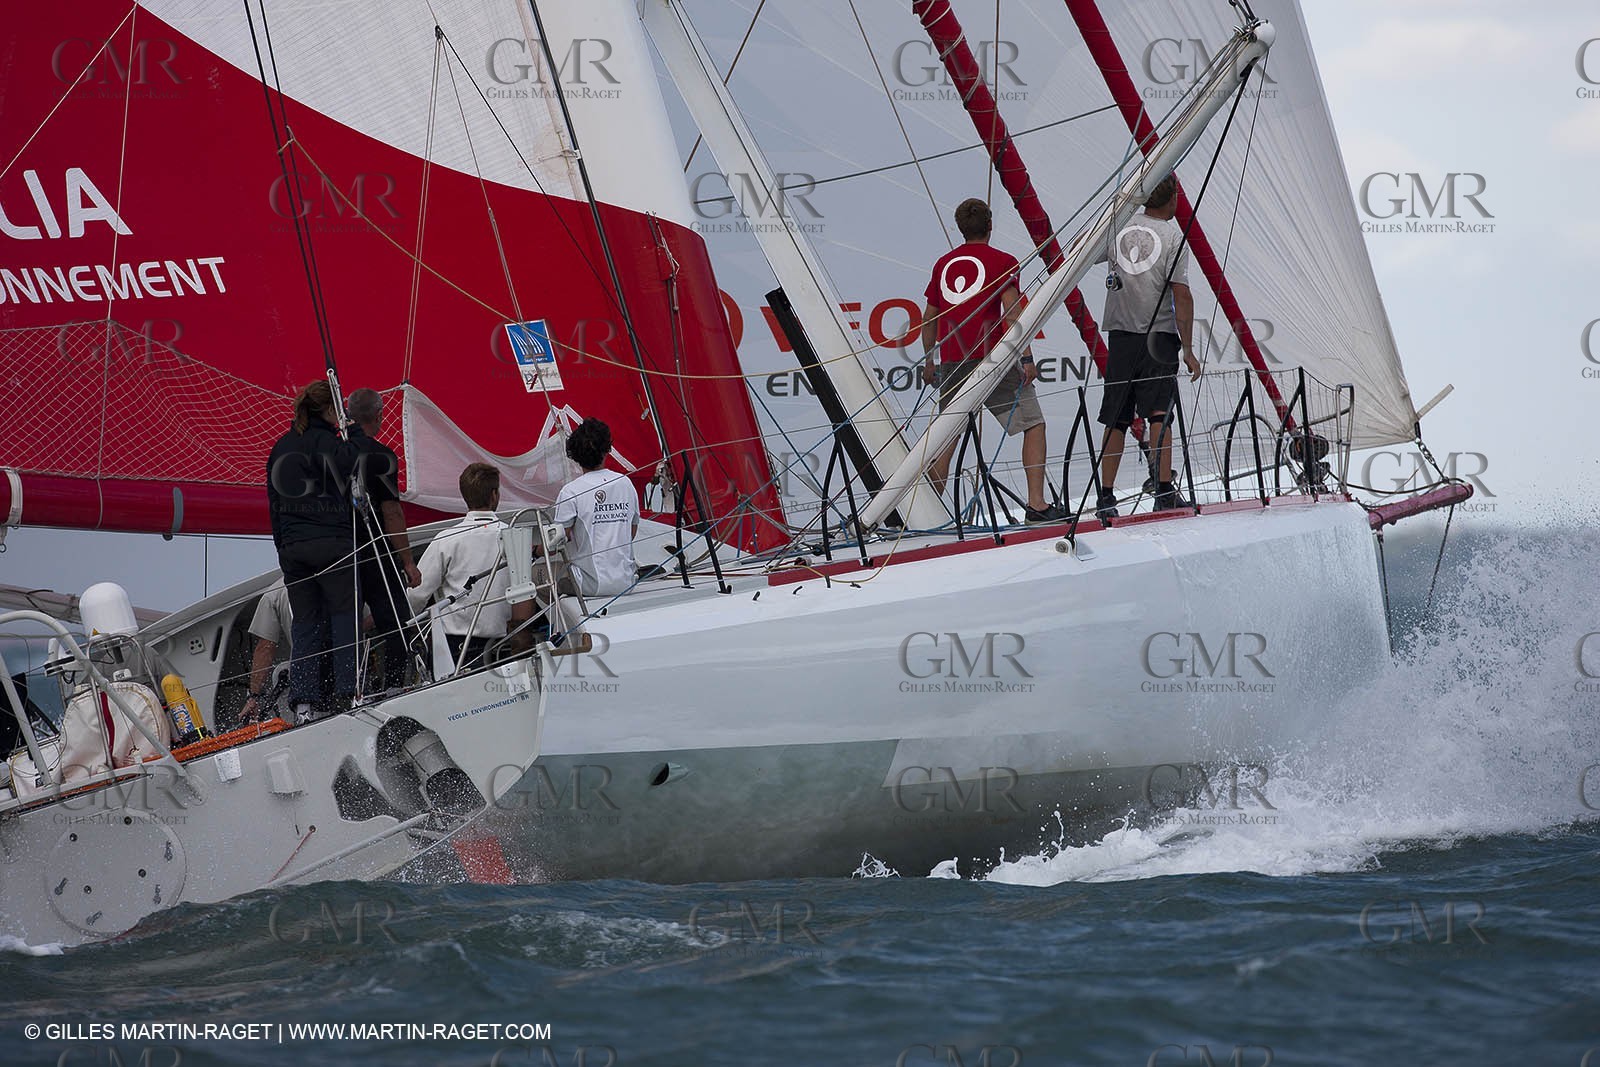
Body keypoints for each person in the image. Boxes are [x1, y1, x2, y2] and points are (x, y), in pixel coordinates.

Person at [919, 197, 1066, 525]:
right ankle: (1037, 505)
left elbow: (929, 318)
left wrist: (930, 361)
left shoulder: (943, 264)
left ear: (961, 229)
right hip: (992, 361)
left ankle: (923, 516)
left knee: (948, 435)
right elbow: (1013, 314)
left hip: (953, 362)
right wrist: (1027, 357)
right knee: (1033, 423)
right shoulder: (1004, 261)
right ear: (989, 226)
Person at [1095, 174, 1203, 521]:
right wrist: (1188, 349)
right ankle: (1164, 492)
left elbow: (1088, 251)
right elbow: (1181, 295)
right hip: (1158, 337)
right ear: (1171, 199)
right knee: (1159, 414)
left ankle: (1106, 496)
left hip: (1121, 336)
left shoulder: (1119, 226)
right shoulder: (1173, 236)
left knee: (1116, 418)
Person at [266, 380, 363, 724]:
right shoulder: (330, 441)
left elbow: (274, 505)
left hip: (292, 549)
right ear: (328, 410)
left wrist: (282, 547)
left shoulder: (280, 447)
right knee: (343, 617)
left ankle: (303, 705)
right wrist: (352, 432)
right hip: (332, 544)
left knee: (305, 624)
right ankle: (348, 694)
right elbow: (351, 463)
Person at [408, 462, 531, 669]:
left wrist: (407, 626)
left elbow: (417, 595)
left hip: (455, 648)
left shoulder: (446, 540)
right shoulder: (514, 537)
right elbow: (525, 595)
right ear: (494, 495)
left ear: (464, 496)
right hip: (502, 647)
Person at [346, 388, 422, 692]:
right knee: (394, 621)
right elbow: (392, 512)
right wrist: (408, 562)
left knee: (344, 626)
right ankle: (393, 686)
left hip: (341, 552)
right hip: (375, 550)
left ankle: (345, 690)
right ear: (379, 416)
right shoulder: (381, 456)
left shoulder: (333, 452)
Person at [553, 418, 639, 597]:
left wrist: (533, 550)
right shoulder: (625, 484)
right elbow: (631, 531)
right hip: (627, 582)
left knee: (535, 576)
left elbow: (557, 540)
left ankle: (531, 625)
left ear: (574, 455)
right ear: (607, 449)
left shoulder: (570, 491)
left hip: (590, 585)